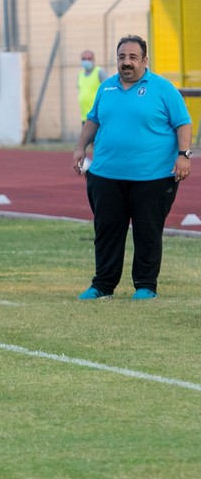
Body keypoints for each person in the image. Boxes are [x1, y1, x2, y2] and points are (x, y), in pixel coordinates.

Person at [72, 35, 192, 300]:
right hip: (105, 175)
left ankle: (146, 286)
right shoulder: (106, 88)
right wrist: (80, 147)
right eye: (122, 57)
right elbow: (92, 120)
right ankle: (102, 286)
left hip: (153, 178)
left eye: (133, 57)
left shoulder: (163, 88)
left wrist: (184, 155)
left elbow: (183, 123)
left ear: (144, 60)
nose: (127, 63)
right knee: (106, 232)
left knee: (147, 232)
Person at [77, 49, 107, 125]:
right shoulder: (80, 75)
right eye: (84, 59)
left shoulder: (99, 72)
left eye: (89, 59)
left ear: (94, 60)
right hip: (84, 116)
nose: (86, 61)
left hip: (97, 116)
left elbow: (108, 90)